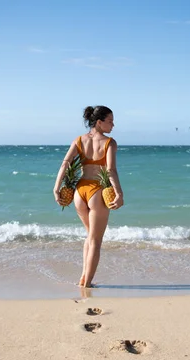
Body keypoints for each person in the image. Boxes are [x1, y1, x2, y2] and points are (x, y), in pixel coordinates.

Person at [53, 105, 124, 288]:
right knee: (95, 240)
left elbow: (65, 163)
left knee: (89, 236)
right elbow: (110, 170)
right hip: (97, 192)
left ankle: (84, 278)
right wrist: (119, 193)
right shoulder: (109, 143)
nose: (113, 125)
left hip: (79, 192)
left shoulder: (79, 140)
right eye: (110, 121)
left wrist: (56, 187)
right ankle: (87, 284)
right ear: (99, 122)